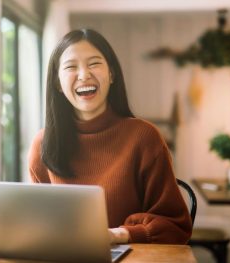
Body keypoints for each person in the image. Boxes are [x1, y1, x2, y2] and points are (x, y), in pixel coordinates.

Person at [28, 29, 192, 244]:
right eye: (70, 67)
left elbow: (176, 227)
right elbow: (38, 223)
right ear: (58, 83)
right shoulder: (43, 144)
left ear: (112, 74)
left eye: (94, 63)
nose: (84, 74)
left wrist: (119, 234)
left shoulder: (144, 137)